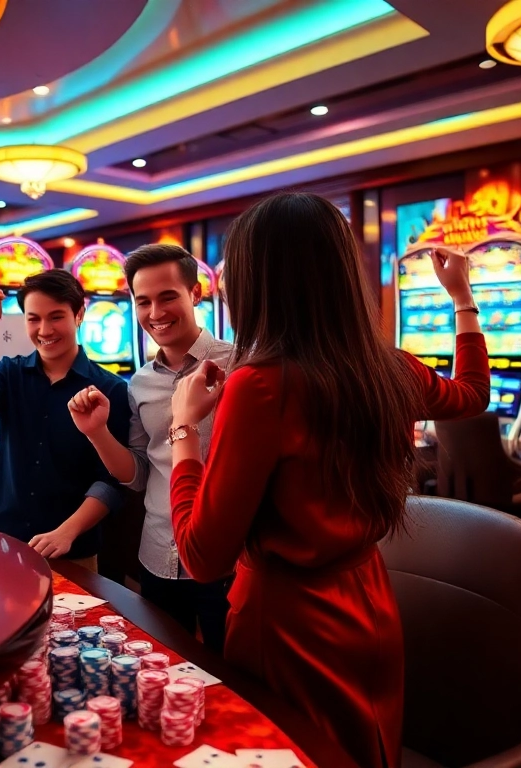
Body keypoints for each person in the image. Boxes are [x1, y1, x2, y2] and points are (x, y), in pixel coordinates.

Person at [167, 192, 489, 766]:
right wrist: (462, 300)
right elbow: (473, 395)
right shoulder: (388, 368)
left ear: (256, 282)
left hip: (287, 624)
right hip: (369, 602)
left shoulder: (260, 387)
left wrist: (184, 427)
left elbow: (200, 557)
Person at [68, 243, 233, 653]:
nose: (155, 313)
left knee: (233, 679)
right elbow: (138, 474)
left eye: (167, 297)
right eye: (143, 301)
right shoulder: (139, 383)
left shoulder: (239, 363)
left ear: (195, 295)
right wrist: (97, 432)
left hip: (229, 556)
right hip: (159, 552)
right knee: (165, 670)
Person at [0, 269, 131, 571]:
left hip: (72, 552)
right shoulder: (8, 373)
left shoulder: (110, 389)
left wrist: (67, 531)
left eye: (56, 317)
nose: (45, 329)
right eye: (34, 319)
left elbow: (113, 481)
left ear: (78, 314)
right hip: (1, 543)